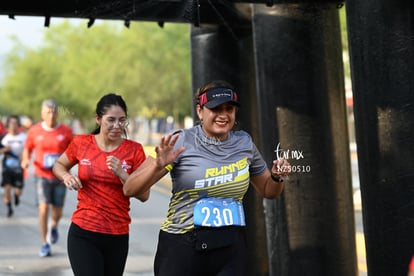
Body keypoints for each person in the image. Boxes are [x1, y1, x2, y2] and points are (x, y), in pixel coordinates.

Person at [124, 80, 291, 276]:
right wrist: (158, 166)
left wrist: (277, 177)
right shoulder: (180, 141)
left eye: (229, 109)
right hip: (183, 246)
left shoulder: (244, 142)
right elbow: (129, 189)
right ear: (200, 111)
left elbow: (268, 190)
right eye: (215, 109)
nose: (223, 115)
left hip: (230, 246)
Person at [52, 93, 150, 276]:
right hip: (84, 231)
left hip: (117, 234)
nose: (117, 126)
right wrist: (66, 176)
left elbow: (144, 195)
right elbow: (59, 165)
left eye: (122, 120)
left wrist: (122, 173)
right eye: (110, 120)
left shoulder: (134, 150)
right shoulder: (81, 143)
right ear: (98, 119)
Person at [21, 99, 73, 257]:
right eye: (48, 112)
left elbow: (73, 152)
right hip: (41, 174)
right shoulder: (34, 131)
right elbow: (27, 149)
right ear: (42, 114)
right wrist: (24, 160)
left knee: (57, 211)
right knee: (43, 208)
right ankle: (45, 243)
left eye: (54, 112)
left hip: (60, 176)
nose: (51, 115)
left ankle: (54, 226)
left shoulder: (66, 131)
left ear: (57, 113)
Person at [0, 115, 27, 217]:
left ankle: (16, 196)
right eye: (11, 123)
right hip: (6, 167)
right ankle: (9, 207)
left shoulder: (23, 137)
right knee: (7, 188)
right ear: (8, 124)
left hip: (19, 167)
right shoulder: (4, 138)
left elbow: (28, 150)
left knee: (18, 190)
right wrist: (4, 150)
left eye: (15, 123)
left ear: (18, 125)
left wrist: (24, 157)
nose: (13, 125)